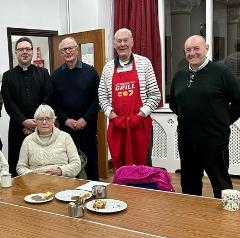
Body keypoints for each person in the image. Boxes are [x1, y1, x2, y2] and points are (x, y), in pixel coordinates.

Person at [169, 35, 240, 198]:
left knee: (220, 184)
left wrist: (223, 122)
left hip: (214, 139)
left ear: (206, 49)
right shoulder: (179, 75)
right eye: (188, 50)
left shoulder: (221, 72)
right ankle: (193, 219)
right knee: (189, 183)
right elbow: (174, 104)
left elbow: (238, 101)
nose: (192, 53)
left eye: (196, 49)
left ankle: (224, 221)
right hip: (187, 140)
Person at [99, 28, 161, 170]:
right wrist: (113, 116)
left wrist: (140, 115)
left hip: (140, 125)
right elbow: (102, 96)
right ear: (114, 44)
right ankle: (123, 192)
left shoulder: (144, 63)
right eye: (119, 41)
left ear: (132, 42)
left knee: (143, 167)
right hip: (117, 127)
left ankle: (144, 192)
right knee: (121, 168)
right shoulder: (108, 68)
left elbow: (155, 95)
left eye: (125, 40)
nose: (122, 44)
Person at [1, 37, 53, 176]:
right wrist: (24, 121)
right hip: (17, 129)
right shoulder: (8, 76)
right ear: (16, 53)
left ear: (31, 52)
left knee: (42, 164)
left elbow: (48, 97)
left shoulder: (43, 73)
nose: (24, 52)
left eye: (28, 49)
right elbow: (8, 102)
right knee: (18, 165)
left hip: (41, 127)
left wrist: (35, 122)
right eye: (21, 49)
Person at [51, 37, 100, 181]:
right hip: (66, 131)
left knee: (91, 165)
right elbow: (53, 102)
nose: (68, 52)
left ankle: (95, 195)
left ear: (77, 50)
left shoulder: (91, 72)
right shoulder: (55, 75)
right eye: (64, 50)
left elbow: (97, 100)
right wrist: (65, 120)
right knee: (69, 166)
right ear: (60, 53)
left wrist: (85, 119)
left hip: (88, 128)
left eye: (70, 48)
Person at [16, 104, 81, 177]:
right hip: (36, 183)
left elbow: (77, 164)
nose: (44, 122)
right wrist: (34, 174)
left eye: (48, 119)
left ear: (53, 120)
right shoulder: (28, 140)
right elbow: (20, 167)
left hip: (62, 182)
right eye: (40, 119)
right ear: (35, 121)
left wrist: (59, 171)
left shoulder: (65, 137)